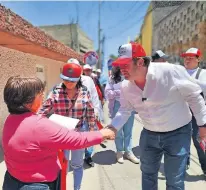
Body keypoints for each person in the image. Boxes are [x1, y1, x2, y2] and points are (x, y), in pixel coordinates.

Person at [106, 42, 206, 190]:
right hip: (149, 134)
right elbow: (125, 109)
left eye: (125, 65)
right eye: (119, 65)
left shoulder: (170, 72)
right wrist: (113, 127)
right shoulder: (125, 86)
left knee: (174, 181)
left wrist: (202, 125)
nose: (121, 70)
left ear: (140, 62)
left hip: (178, 133)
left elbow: (194, 97)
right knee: (147, 174)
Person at [2, 76, 115, 190]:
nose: (43, 97)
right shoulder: (39, 125)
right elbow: (77, 140)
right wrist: (102, 133)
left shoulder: (10, 119)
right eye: (40, 95)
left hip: (12, 180)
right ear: (28, 101)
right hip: (37, 185)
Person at [38, 61, 102, 190]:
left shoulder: (84, 91)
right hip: (61, 133)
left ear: (78, 79)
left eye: (72, 81)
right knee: (62, 164)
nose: (68, 83)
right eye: (66, 80)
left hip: (79, 132)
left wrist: (91, 130)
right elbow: (43, 110)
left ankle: (77, 188)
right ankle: (62, 187)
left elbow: (89, 112)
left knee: (77, 164)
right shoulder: (56, 91)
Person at [105, 66, 139, 164]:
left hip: (130, 105)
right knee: (118, 130)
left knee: (128, 130)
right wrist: (120, 92)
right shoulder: (112, 78)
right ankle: (119, 151)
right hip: (117, 105)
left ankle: (128, 151)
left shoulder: (131, 76)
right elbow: (107, 93)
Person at [181, 47, 206, 174]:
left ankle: (205, 167)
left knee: (200, 141)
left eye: (191, 57)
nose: (188, 59)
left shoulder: (203, 73)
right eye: (186, 57)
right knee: (182, 141)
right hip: (181, 112)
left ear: (198, 59)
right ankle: (183, 165)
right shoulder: (179, 72)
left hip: (198, 114)